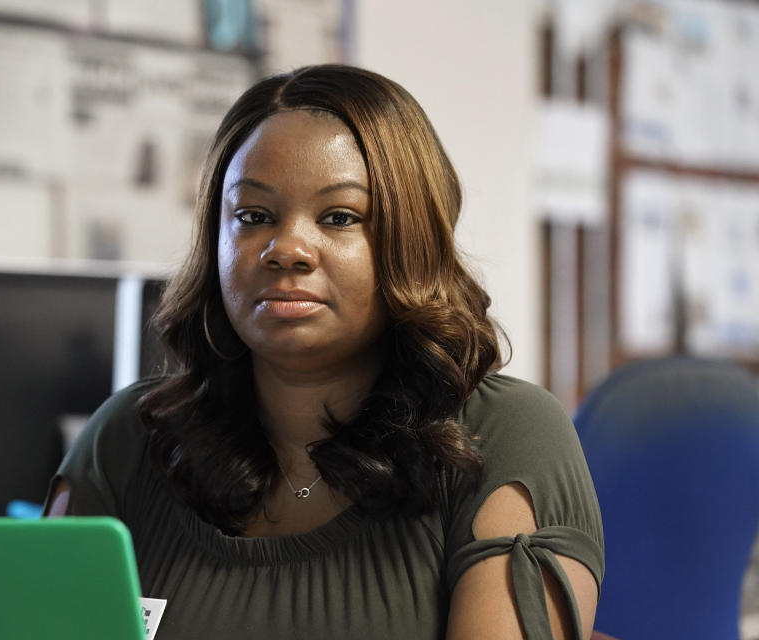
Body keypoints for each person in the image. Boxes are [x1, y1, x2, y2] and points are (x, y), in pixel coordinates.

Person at [45, 64, 603, 639]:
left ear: (411, 243)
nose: (286, 249)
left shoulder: (503, 436)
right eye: (252, 217)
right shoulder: (128, 441)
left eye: (339, 217)